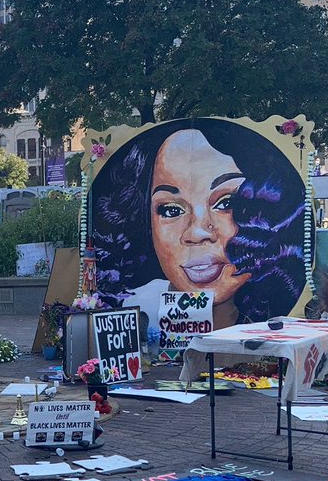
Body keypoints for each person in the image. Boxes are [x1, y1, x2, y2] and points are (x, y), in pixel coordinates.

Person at [89, 118, 310, 328]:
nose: (197, 232)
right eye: (171, 210)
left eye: (226, 203)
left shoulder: (284, 326)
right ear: (146, 224)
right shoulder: (134, 308)